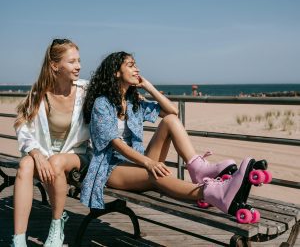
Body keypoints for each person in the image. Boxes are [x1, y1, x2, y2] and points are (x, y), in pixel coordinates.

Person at [80, 51, 267, 223]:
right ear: (116, 73)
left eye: (136, 65)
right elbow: (115, 143)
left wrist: (149, 87)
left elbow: (173, 111)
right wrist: (148, 163)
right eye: (130, 65)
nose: (136, 69)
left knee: (170, 121)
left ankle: (198, 169)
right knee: (154, 173)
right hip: (111, 168)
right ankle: (213, 193)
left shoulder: (133, 101)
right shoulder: (101, 103)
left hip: (137, 162)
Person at [12, 39, 91, 247]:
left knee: (56, 161)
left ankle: (57, 225)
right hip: (45, 154)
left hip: (76, 155)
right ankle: (18, 239)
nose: (79, 66)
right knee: (25, 164)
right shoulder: (39, 93)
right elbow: (22, 126)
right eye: (72, 61)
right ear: (55, 66)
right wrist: (36, 153)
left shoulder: (86, 91)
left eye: (79, 61)